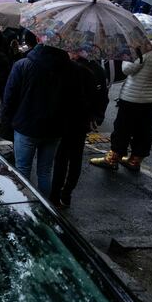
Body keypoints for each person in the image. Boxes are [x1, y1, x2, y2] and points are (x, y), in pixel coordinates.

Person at [91, 38, 152, 171]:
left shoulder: (144, 50)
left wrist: (129, 55)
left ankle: (113, 157)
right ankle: (135, 160)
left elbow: (127, 70)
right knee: (144, 129)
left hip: (133, 95)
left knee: (122, 127)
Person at [1, 43, 72, 196]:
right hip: (54, 129)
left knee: (22, 170)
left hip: (26, 126)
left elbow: (9, 97)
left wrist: (11, 120)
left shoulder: (23, 65)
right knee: (45, 171)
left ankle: (25, 206)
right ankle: (43, 210)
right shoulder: (69, 68)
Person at [50, 57, 108, 207]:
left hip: (66, 120)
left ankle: (56, 195)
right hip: (83, 122)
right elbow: (102, 98)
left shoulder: (68, 68)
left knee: (62, 158)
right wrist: (97, 117)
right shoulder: (98, 70)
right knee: (76, 158)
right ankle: (67, 193)